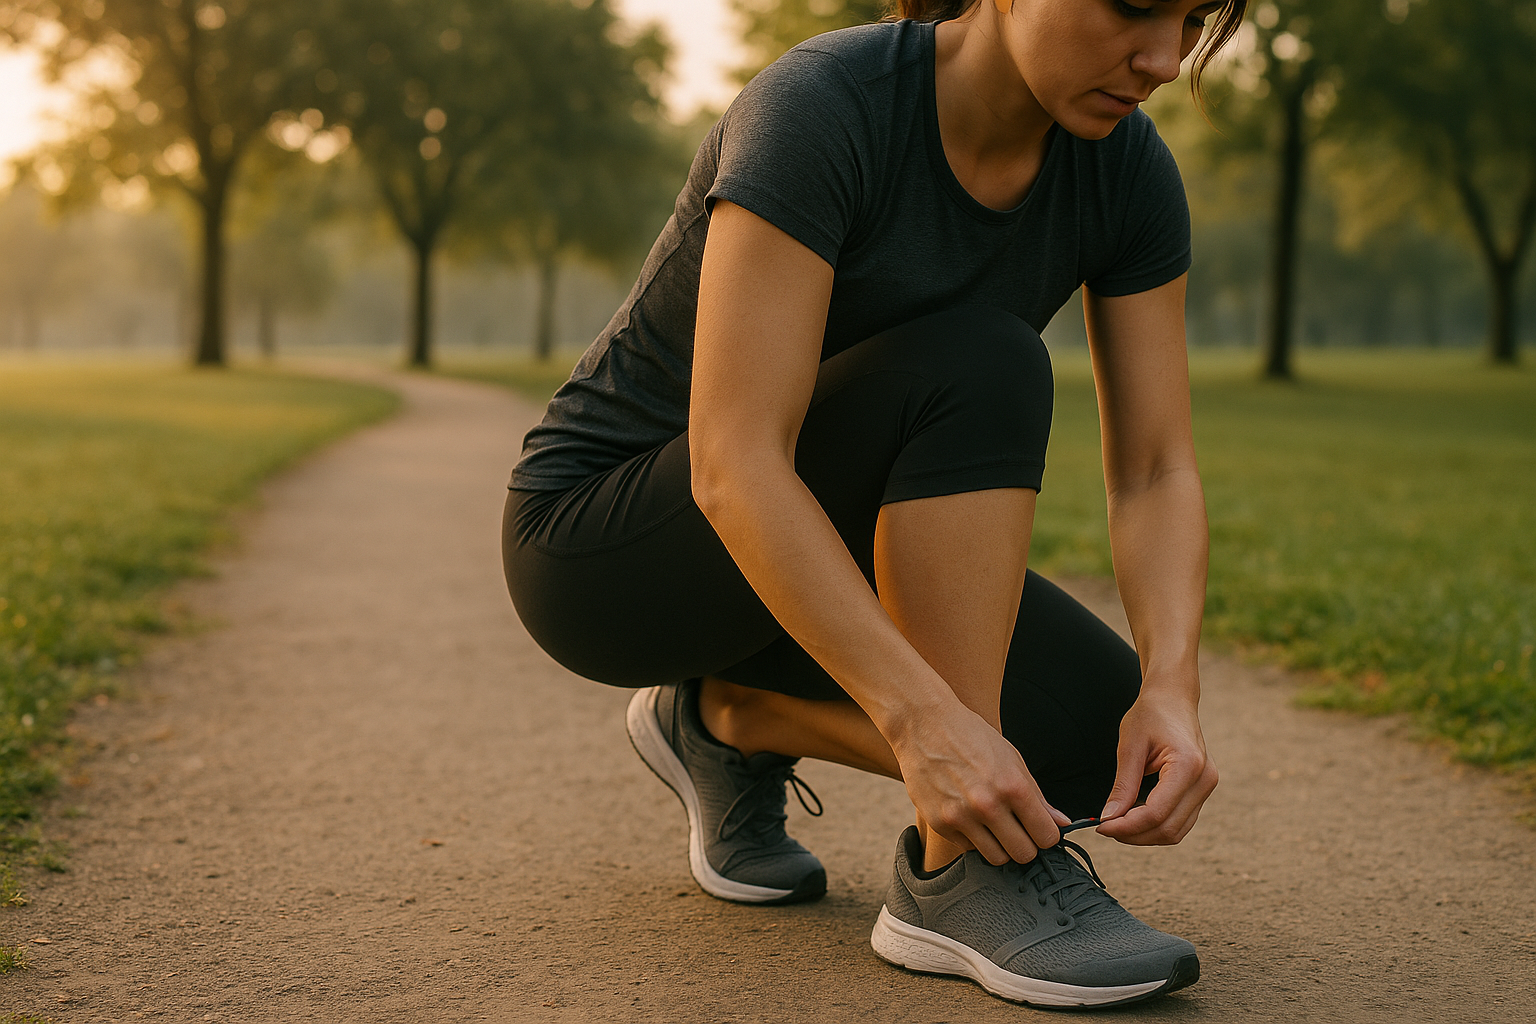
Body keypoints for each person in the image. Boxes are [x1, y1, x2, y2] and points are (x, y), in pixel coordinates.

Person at [502, 0, 1239, 1009]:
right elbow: (734, 459)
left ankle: (728, 718)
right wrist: (924, 719)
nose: (1163, 58)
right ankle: (963, 873)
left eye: (1193, 19)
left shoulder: (1126, 169)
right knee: (984, 359)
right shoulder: (825, 104)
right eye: (1134, 6)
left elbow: (1155, 466)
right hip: (609, 550)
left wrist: (1173, 688)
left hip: (809, 549)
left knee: (1098, 746)